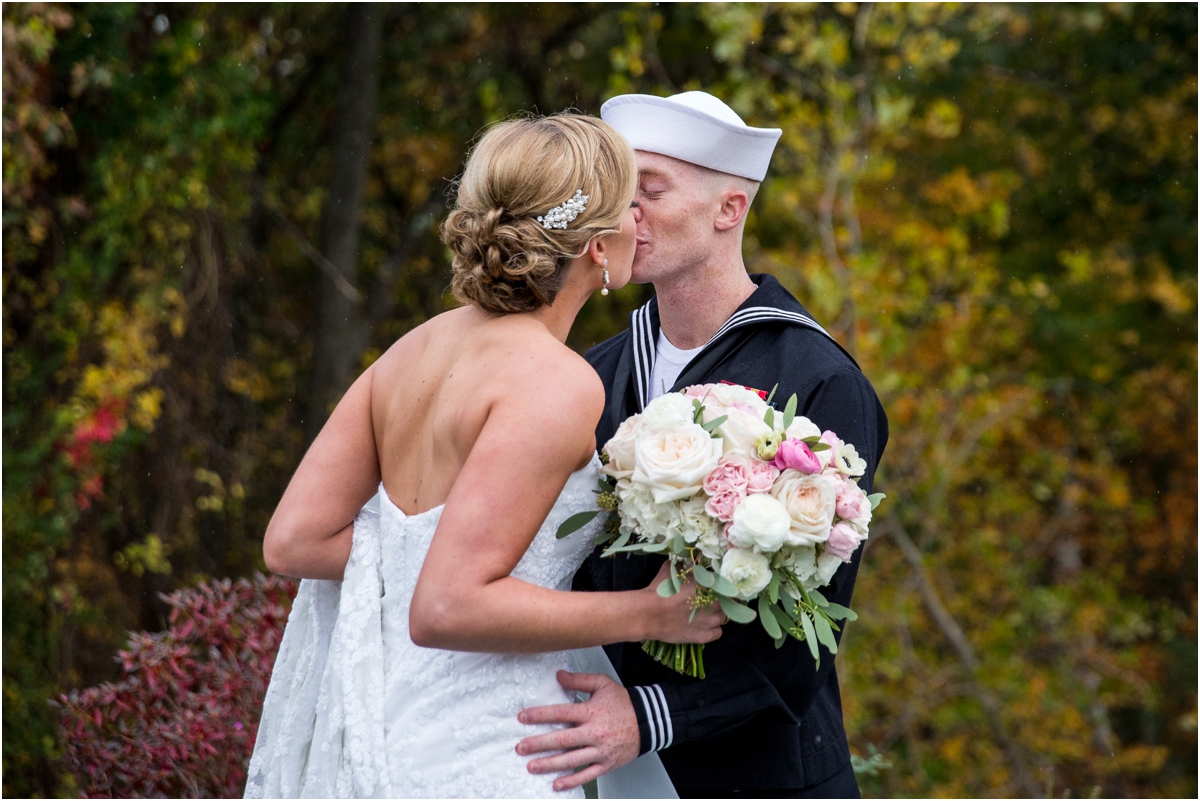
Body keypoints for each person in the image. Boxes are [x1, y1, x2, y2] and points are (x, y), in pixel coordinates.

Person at [244, 114, 725, 799]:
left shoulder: (411, 351)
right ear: (595, 245)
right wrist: (647, 613)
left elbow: (294, 539)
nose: (638, 220)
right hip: (494, 753)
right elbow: (445, 605)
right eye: (628, 205)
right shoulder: (555, 384)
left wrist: (418, 547)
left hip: (386, 732)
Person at [515, 92, 889, 798]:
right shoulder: (590, 372)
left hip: (758, 776)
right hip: (592, 762)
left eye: (650, 190)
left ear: (729, 210)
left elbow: (805, 639)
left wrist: (650, 716)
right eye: (619, 194)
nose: (626, 216)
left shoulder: (820, 379)